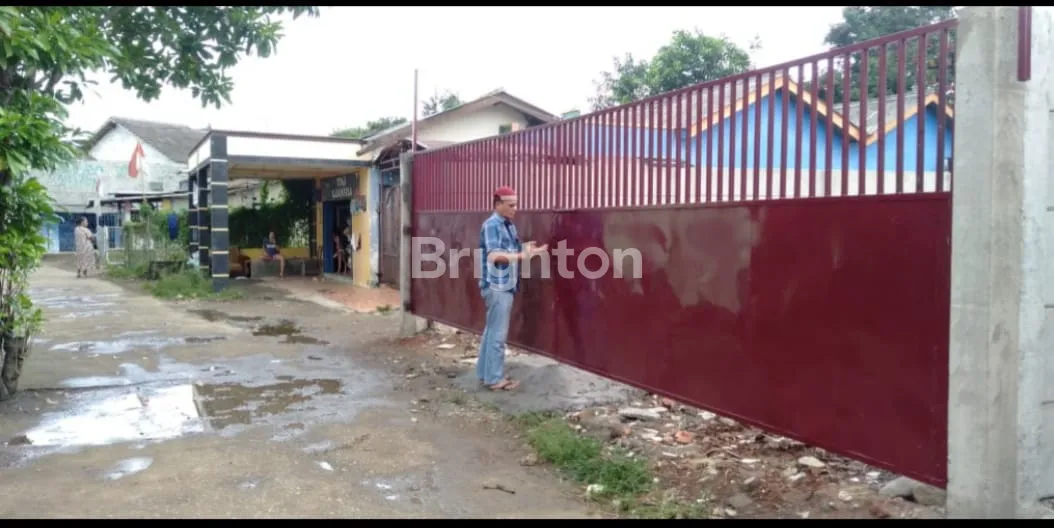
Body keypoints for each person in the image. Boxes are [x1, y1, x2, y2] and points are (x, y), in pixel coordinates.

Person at [477, 186, 547, 391]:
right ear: (498, 204)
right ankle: (495, 379)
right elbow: (494, 255)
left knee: (491, 332)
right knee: (497, 335)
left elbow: (512, 251)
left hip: (504, 285)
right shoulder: (492, 225)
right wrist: (522, 256)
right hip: (497, 286)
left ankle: (486, 374)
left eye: (515, 205)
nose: (515, 209)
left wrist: (527, 250)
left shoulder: (508, 226)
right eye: (511, 205)